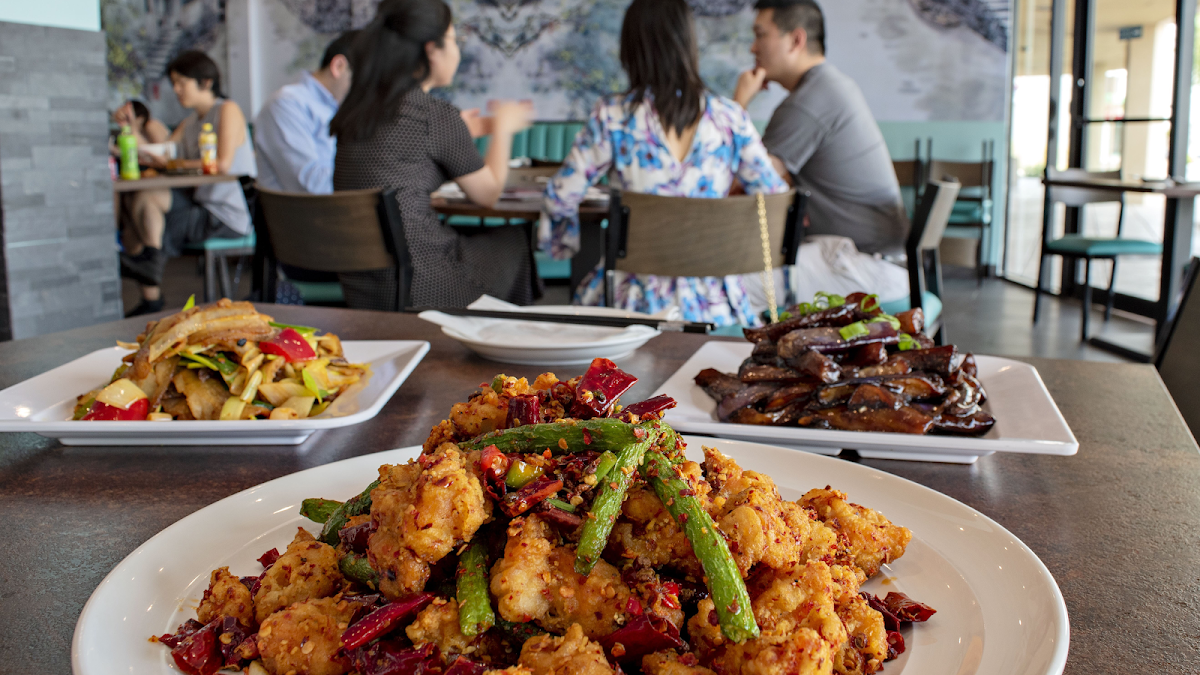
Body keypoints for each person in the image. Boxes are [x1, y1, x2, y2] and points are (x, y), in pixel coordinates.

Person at [540, 0, 788, 327]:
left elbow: (560, 197)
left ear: (631, 49)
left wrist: (562, 246)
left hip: (629, 305)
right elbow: (776, 200)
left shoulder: (613, 117)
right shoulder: (730, 118)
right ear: (689, 44)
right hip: (716, 309)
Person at [331, 0, 535, 310]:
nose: (457, 51)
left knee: (468, 236)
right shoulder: (434, 116)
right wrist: (503, 128)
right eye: (454, 39)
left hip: (364, 288)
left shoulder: (356, 113)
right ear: (432, 51)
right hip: (423, 284)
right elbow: (488, 194)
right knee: (514, 241)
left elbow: (399, 165)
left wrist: (462, 132)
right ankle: (499, 333)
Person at [734, 0, 908, 257]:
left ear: (796, 41)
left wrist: (738, 104)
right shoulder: (830, 85)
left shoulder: (806, 102)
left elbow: (745, 180)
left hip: (860, 260)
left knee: (729, 276)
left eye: (760, 35)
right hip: (875, 256)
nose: (753, 47)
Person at [119, 51, 257, 316]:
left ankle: (151, 281)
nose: (176, 90)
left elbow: (222, 164)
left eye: (181, 82)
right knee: (140, 201)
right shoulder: (190, 122)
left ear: (205, 82)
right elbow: (161, 154)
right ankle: (150, 286)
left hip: (226, 215)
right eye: (174, 83)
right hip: (201, 207)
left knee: (146, 204)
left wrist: (173, 164)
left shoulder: (227, 110)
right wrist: (134, 130)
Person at [254, 31, 358, 194]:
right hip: (315, 209)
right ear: (338, 66)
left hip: (344, 206)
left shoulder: (341, 109)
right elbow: (312, 187)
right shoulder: (286, 104)